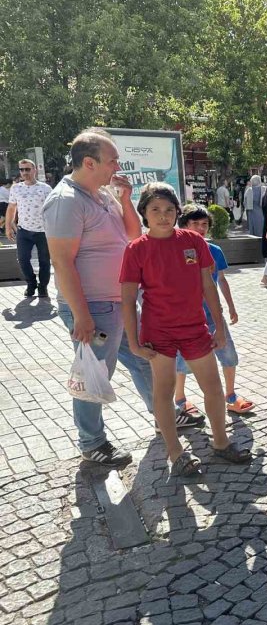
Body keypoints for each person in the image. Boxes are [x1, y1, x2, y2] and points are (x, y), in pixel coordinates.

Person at [42, 128, 166, 467]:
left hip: (119, 303)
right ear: (88, 162)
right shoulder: (65, 200)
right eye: (112, 161)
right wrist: (82, 316)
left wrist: (125, 201)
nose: (118, 167)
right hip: (93, 307)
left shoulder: (102, 194)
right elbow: (61, 261)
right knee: (93, 375)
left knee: (144, 359)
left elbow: (131, 234)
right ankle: (92, 443)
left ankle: (164, 418)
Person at [120, 184, 251, 475]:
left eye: (169, 210)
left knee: (213, 388)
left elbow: (208, 286)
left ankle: (220, 441)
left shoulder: (193, 241)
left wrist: (218, 327)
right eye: (155, 210)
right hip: (159, 332)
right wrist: (133, 341)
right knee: (163, 393)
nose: (163, 216)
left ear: (178, 212)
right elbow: (127, 300)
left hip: (195, 327)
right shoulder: (136, 249)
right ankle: (176, 452)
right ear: (144, 213)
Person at [173, 204, 255, 415]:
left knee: (228, 354)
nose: (201, 228)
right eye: (195, 224)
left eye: (204, 224)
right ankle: (180, 398)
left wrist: (231, 307)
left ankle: (231, 396)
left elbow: (221, 279)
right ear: (183, 225)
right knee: (182, 360)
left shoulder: (214, 251)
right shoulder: (176, 250)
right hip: (187, 318)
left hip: (212, 314)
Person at [6, 160, 52, 298]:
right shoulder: (16, 188)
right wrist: (8, 226)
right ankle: (31, 283)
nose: (24, 172)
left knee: (44, 261)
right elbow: (12, 208)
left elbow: (52, 210)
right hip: (24, 230)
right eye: (22, 170)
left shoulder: (45, 189)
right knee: (23, 259)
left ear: (34, 170)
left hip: (43, 231)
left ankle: (43, 287)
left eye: (27, 169)